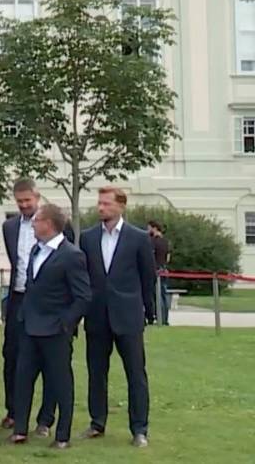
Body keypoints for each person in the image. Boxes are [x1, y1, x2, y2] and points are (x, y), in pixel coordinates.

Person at [9, 204, 90, 450]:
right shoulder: (36, 249)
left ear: (49, 224)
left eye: (36, 220)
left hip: (55, 330)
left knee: (60, 382)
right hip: (29, 327)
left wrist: (66, 323)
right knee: (22, 379)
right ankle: (20, 429)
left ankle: (62, 435)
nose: (32, 224)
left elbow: (83, 296)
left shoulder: (71, 255)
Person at [79, 187, 154, 448]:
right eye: (99, 203)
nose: (101, 208)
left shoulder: (138, 238)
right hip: (97, 315)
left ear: (121, 206)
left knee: (135, 374)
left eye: (107, 203)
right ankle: (97, 422)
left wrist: (148, 310)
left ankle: (139, 429)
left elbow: (147, 277)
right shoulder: (87, 238)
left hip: (128, 315)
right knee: (96, 372)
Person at [0, 179, 72, 433]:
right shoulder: (9, 227)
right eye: (19, 201)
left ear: (37, 197)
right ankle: (15, 412)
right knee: (13, 356)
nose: (23, 205)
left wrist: (67, 318)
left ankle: (46, 418)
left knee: (51, 363)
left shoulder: (57, 224)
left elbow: (68, 262)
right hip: (19, 299)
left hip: (51, 305)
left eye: (27, 200)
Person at [147, 221, 171, 326]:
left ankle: (156, 316)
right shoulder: (166, 242)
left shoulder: (153, 241)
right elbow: (168, 257)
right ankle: (164, 319)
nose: (148, 230)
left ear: (154, 228)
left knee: (155, 295)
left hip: (155, 270)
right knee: (163, 295)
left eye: (149, 228)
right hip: (164, 270)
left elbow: (150, 256)